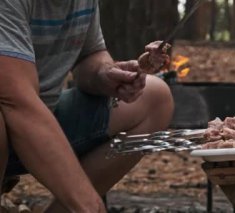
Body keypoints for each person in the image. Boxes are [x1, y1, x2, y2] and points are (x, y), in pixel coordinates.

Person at [0, 0, 174, 212]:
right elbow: (17, 103)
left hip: (43, 116)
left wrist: (106, 74)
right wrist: (90, 205)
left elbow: (90, 55)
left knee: (155, 98)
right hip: (15, 118)